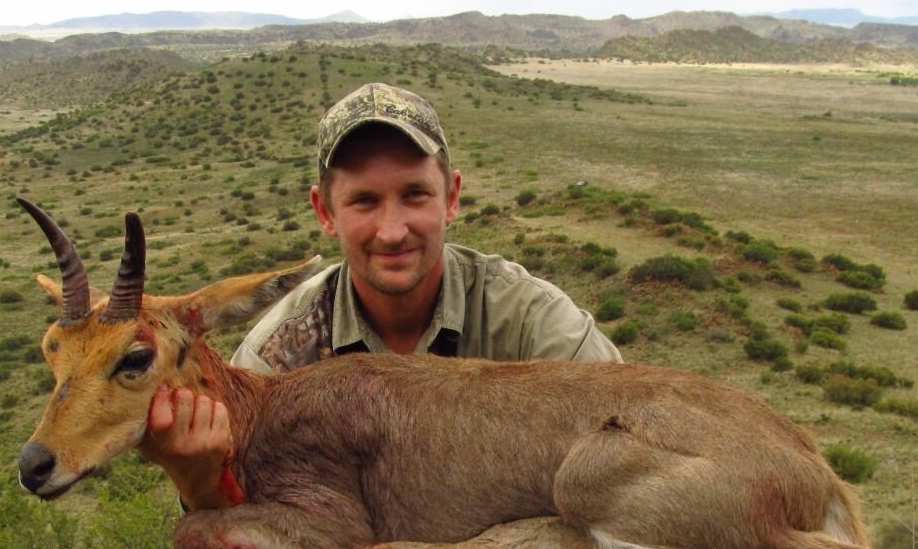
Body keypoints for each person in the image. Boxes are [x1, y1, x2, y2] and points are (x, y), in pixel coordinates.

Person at [147, 82, 621, 510]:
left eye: (415, 195)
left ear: (452, 197)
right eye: (364, 201)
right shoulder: (277, 355)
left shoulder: (532, 324)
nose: (392, 232)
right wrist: (202, 487)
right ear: (325, 211)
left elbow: (633, 448)